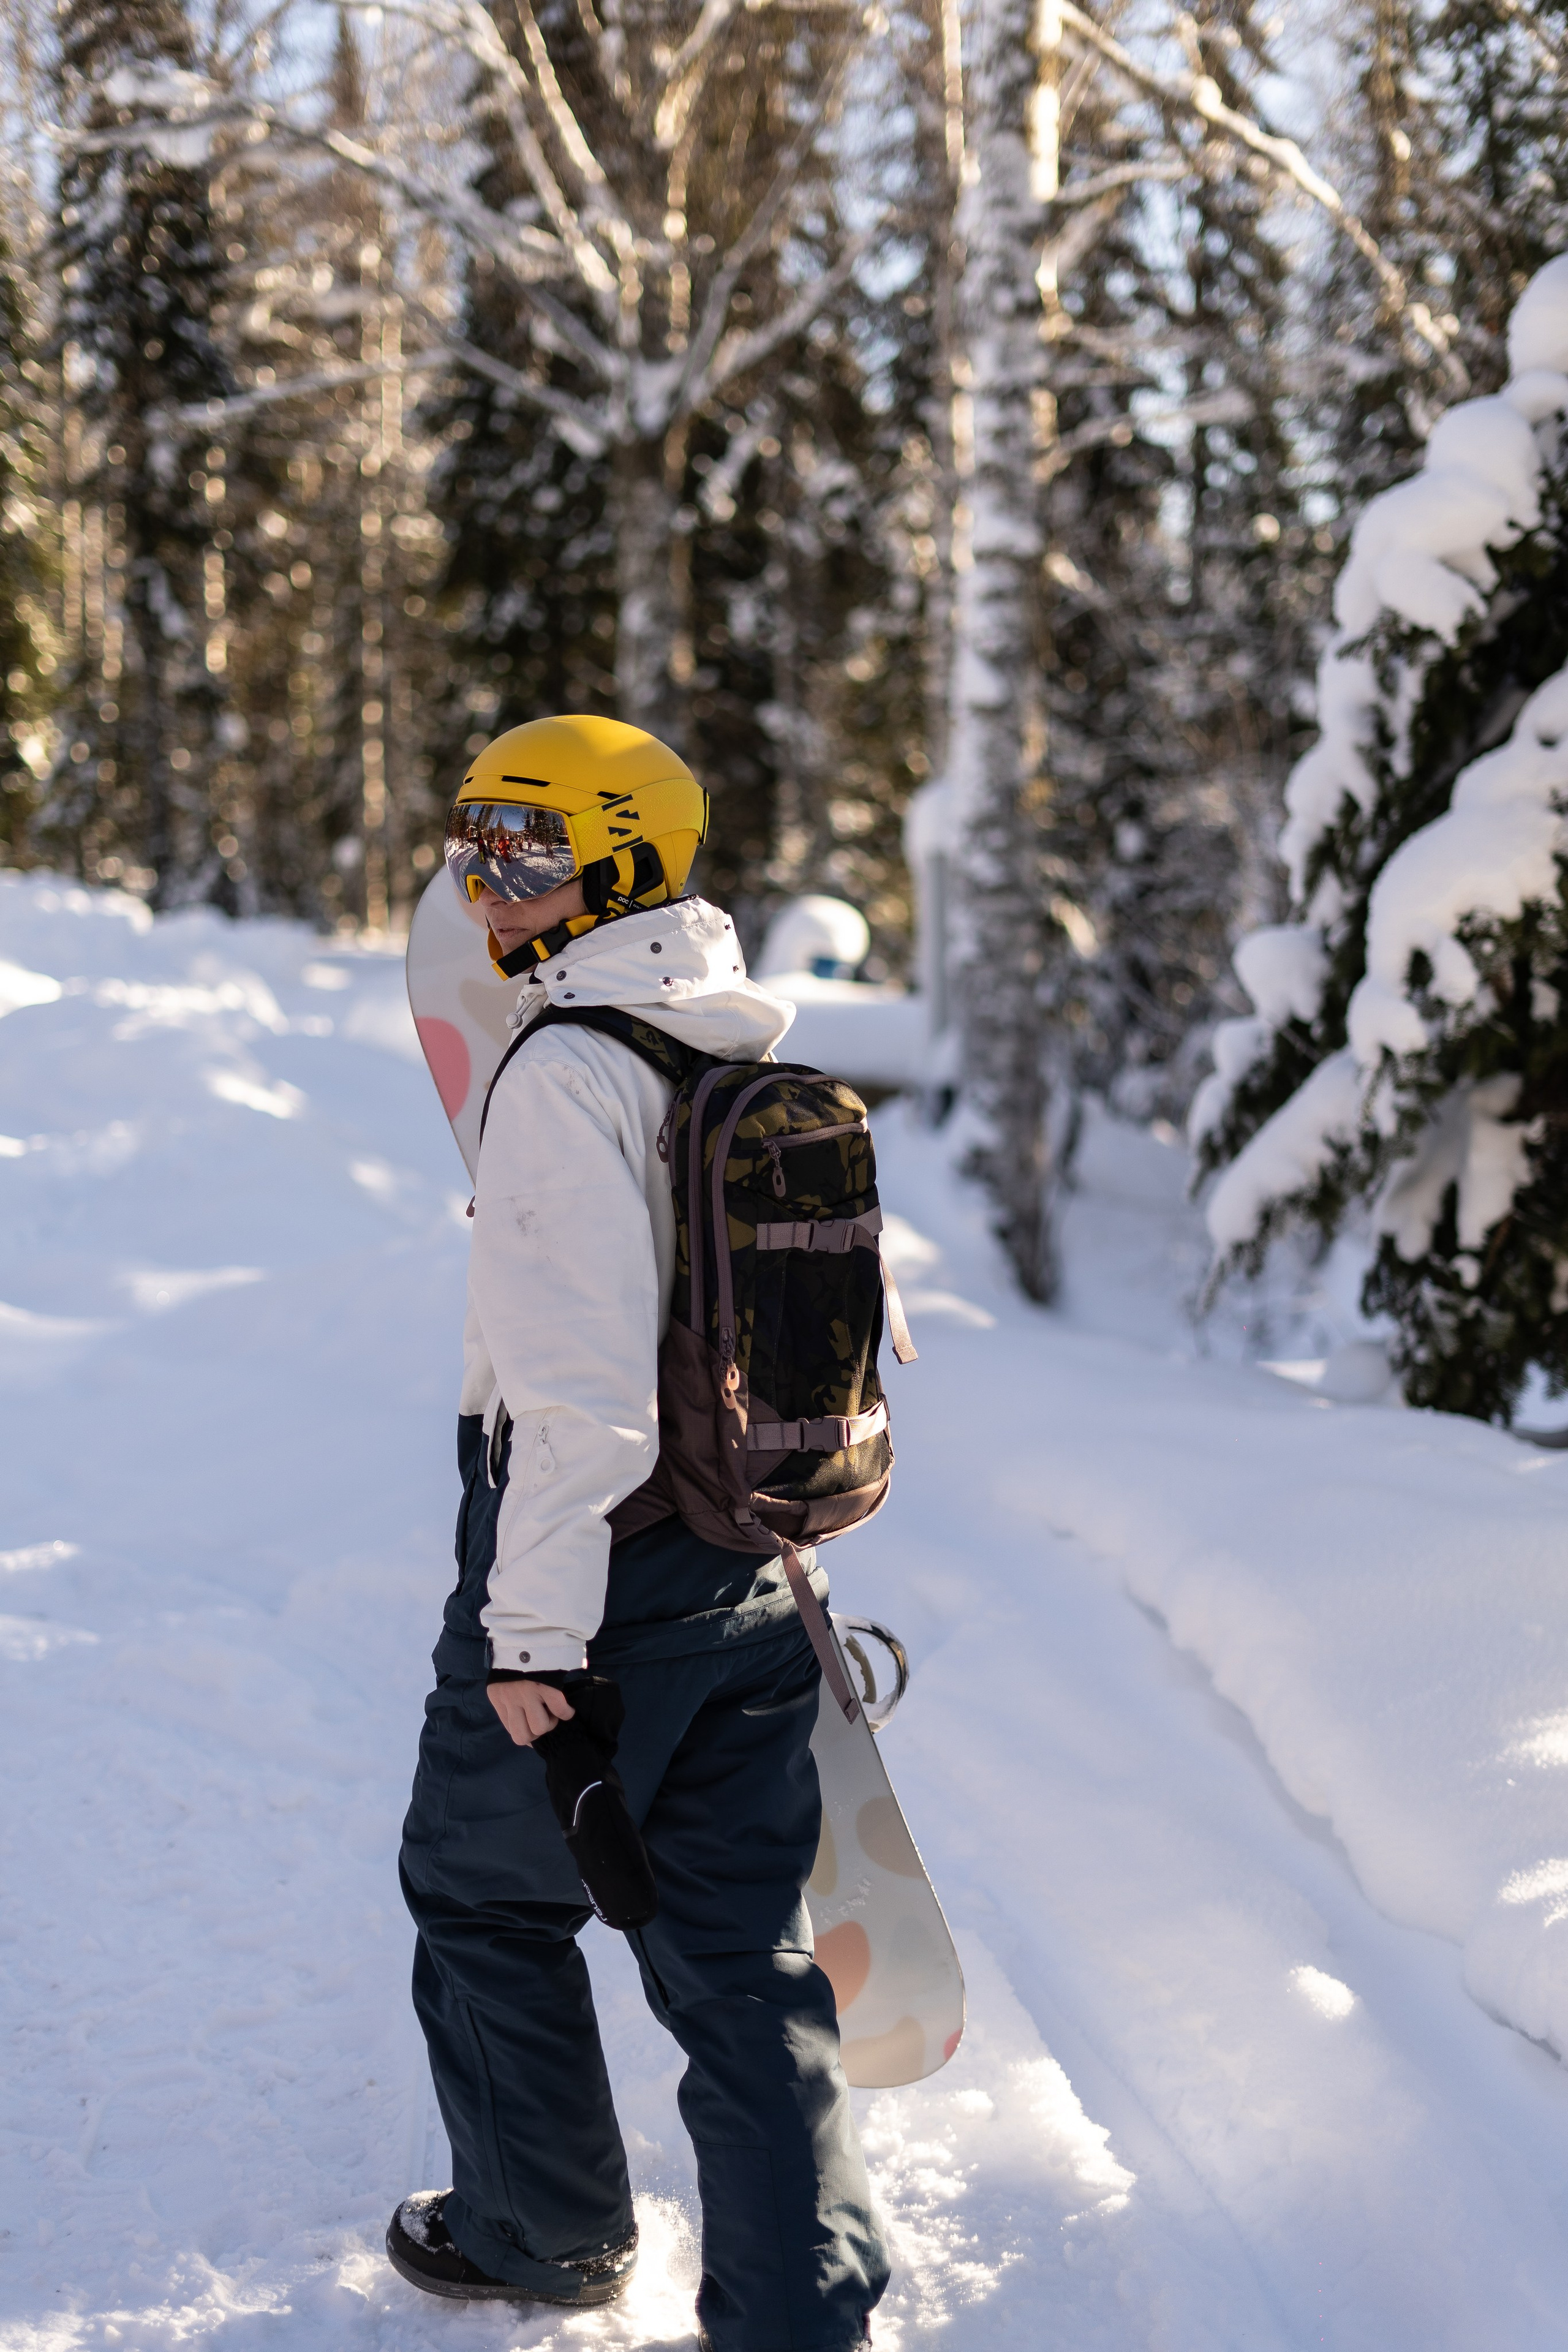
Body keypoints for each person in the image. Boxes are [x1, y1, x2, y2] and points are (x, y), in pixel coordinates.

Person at [388, 714, 891, 2350]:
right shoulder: (727, 1045)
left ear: (612, 865)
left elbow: (580, 1405)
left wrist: (532, 1641)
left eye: (520, 852)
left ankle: (542, 2234)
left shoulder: (566, 1075)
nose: (481, 886)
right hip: (744, 1558)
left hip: (590, 1569)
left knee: (480, 1894)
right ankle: (801, 2314)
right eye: (470, 846)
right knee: (743, 1959)